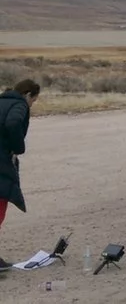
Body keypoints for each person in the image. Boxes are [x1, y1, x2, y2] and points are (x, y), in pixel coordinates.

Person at [0, 79, 40, 271]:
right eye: (34, 100)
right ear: (28, 95)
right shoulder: (19, 105)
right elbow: (13, 122)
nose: (32, 104)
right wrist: (17, 148)